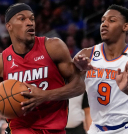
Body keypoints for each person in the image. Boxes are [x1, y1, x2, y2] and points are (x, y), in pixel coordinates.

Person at [0, 3, 86, 134]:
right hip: (21, 128)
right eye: (22, 19)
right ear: (9, 26)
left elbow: (79, 86)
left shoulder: (53, 47)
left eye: (32, 19)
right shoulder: (2, 60)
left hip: (54, 128)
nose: (30, 23)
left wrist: (45, 95)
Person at [74, 4, 128, 134]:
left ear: (125, 26)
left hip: (127, 127)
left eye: (111, 20)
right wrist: (77, 72)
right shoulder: (86, 55)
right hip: (96, 128)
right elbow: (68, 88)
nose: (104, 24)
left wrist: (127, 88)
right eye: (103, 21)